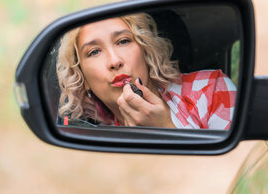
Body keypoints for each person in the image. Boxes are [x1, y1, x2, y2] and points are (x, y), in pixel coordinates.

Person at [56, 13, 236, 130]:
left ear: (145, 50)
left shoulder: (211, 89)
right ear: (82, 77)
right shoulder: (101, 133)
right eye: (94, 52)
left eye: (123, 41)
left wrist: (166, 127)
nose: (115, 61)